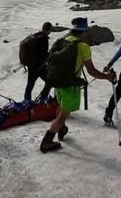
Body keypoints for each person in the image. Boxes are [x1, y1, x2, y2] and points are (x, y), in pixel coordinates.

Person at [40, 17, 115, 153]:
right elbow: (91, 71)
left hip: (58, 82)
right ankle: (47, 142)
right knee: (64, 114)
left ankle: (61, 129)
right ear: (84, 30)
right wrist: (107, 77)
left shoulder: (62, 41)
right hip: (70, 84)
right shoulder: (83, 46)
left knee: (62, 107)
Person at [22, 21, 54, 101]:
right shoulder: (43, 38)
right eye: (50, 30)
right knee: (50, 81)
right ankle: (43, 98)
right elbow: (43, 54)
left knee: (30, 84)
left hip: (31, 65)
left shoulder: (35, 36)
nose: (50, 32)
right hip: (40, 66)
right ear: (48, 30)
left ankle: (27, 101)